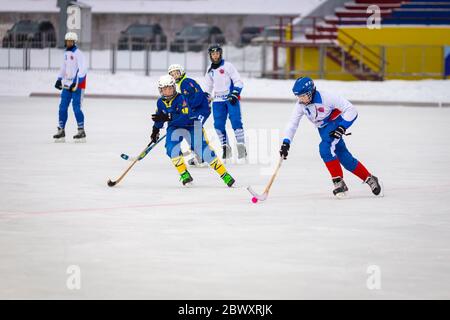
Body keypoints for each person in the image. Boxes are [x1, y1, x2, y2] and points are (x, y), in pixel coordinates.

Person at [279, 76, 382, 198]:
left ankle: (339, 183)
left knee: (325, 149)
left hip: (334, 125)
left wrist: (342, 127)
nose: (300, 99)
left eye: (303, 96)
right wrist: (286, 143)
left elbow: (351, 110)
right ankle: (369, 178)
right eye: (298, 97)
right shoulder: (300, 105)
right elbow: (292, 124)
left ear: (311, 92)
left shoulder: (327, 97)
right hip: (323, 130)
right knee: (344, 157)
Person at [150, 75, 235, 187]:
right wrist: (155, 129)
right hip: (174, 127)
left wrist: (168, 117)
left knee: (203, 151)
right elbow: (160, 117)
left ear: (174, 88)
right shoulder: (160, 102)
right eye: (165, 89)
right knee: (171, 149)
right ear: (161, 90)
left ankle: (225, 175)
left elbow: (185, 116)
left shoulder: (181, 99)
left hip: (192, 124)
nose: (168, 91)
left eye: (170, 88)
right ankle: (184, 174)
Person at [203, 43, 246, 160]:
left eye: (217, 53)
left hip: (230, 99)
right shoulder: (209, 70)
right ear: (210, 55)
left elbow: (238, 81)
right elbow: (208, 87)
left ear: (220, 54)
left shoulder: (228, 66)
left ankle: (241, 146)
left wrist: (235, 93)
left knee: (236, 121)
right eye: (213, 54)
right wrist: (205, 98)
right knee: (218, 125)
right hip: (217, 101)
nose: (215, 56)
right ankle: (225, 147)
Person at [167, 64, 211, 166]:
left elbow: (198, 96)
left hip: (201, 110)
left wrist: (187, 108)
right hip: (197, 110)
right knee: (190, 129)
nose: (175, 76)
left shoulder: (185, 83)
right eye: (172, 74)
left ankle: (204, 154)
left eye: (177, 73)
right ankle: (199, 153)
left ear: (181, 72)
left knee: (195, 128)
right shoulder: (182, 83)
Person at [53, 32, 87, 142]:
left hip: (77, 86)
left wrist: (76, 83)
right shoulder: (66, 54)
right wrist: (59, 79)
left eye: (70, 41)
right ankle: (61, 130)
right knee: (62, 107)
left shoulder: (79, 54)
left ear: (74, 42)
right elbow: (63, 68)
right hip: (67, 85)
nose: (68, 43)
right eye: (67, 41)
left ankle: (81, 130)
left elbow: (82, 70)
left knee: (76, 108)